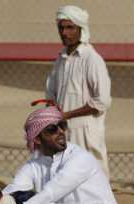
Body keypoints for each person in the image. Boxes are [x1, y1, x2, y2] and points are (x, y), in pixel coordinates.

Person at [45, 5, 112, 177]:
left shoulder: (92, 59)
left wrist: (66, 115)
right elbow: (50, 94)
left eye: (70, 27)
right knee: (64, 180)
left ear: (81, 29)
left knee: (93, 181)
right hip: (62, 132)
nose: (65, 33)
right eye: (61, 27)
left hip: (85, 133)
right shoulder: (60, 59)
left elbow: (102, 101)